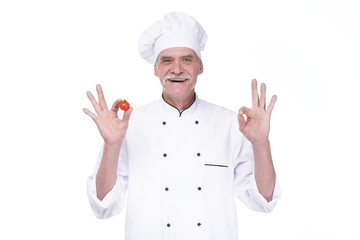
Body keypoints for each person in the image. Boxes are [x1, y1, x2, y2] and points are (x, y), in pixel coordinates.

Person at [84, 12, 280, 240]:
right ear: (156, 69)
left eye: (186, 59)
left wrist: (262, 144)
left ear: (200, 67)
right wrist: (111, 145)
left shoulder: (229, 123)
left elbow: (264, 200)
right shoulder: (129, 124)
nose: (177, 69)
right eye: (167, 60)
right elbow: (103, 206)